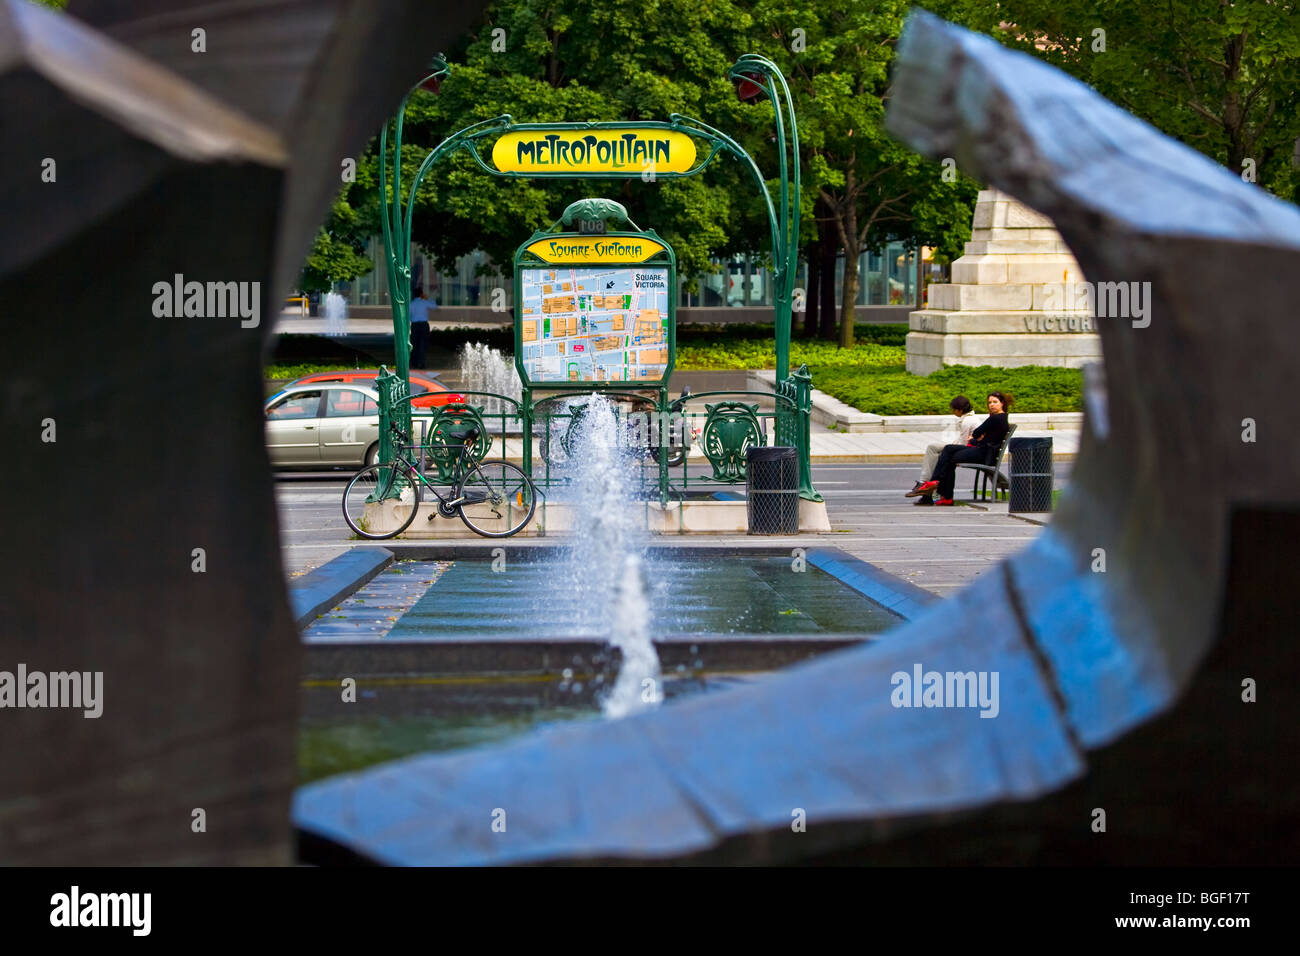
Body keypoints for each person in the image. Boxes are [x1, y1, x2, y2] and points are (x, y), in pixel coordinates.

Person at [916, 391, 1013, 506]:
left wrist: (976, 438)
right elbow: (976, 438)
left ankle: (937, 486)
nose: (991, 405)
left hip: (983, 454)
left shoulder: (995, 419)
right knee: (948, 452)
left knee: (948, 455)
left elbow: (977, 433)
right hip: (984, 452)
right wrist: (976, 438)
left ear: (1002, 403)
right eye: (989, 402)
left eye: (995, 402)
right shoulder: (1000, 418)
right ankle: (940, 490)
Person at [906, 396, 976, 505]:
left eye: (954, 410)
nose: (953, 412)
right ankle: (925, 484)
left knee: (935, 453)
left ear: (960, 410)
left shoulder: (967, 421)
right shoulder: (969, 418)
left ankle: (925, 485)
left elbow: (963, 444)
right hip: (960, 447)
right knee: (933, 448)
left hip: (965, 450)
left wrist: (947, 450)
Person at [408, 284, 436, 368]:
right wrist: (427, 298)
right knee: (423, 344)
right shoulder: (425, 303)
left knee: (414, 344)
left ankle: (414, 362)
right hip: (424, 325)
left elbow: (408, 316)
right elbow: (434, 306)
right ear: (421, 294)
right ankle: (421, 363)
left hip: (415, 325)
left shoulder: (411, 304)